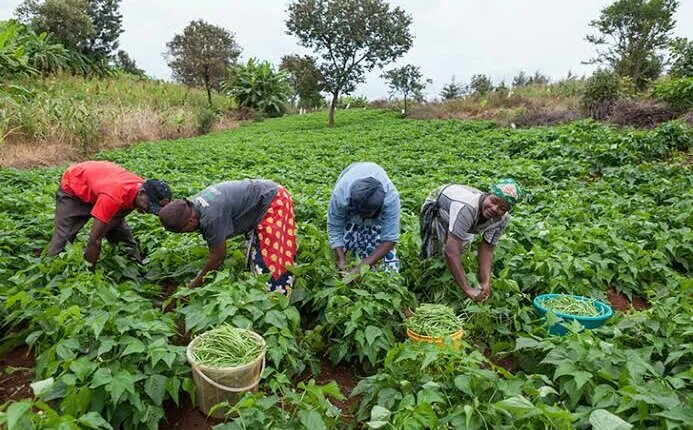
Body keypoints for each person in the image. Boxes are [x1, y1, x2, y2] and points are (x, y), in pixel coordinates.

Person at [158, 180, 296, 295]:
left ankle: (277, 298)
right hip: (260, 199)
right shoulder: (191, 206)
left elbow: (218, 257)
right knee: (255, 250)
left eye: (185, 231)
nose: (188, 233)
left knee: (272, 256)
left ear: (190, 222)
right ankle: (258, 288)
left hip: (274, 199)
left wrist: (193, 286)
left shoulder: (211, 218)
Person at [47, 160, 172, 266]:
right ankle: (52, 267)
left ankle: (133, 266)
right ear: (141, 193)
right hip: (75, 186)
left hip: (100, 184)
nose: (147, 212)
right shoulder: (115, 196)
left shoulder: (141, 191)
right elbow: (94, 241)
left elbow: (115, 220)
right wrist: (90, 272)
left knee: (120, 234)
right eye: (149, 207)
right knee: (65, 235)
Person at [419, 178, 522, 302]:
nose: (495, 208)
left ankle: (453, 276)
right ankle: (427, 284)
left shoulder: (502, 219)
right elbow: (451, 251)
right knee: (434, 252)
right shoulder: (467, 207)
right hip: (440, 205)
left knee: (461, 250)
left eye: (502, 208)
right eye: (494, 201)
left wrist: (485, 282)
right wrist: (467, 289)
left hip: (467, 216)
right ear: (488, 194)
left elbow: (488, 248)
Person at [328, 162, 401, 273]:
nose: (363, 217)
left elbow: (389, 239)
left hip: (377, 214)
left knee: (388, 268)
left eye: (368, 214)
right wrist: (341, 260)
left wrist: (362, 266)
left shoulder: (390, 199)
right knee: (348, 249)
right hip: (350, 195)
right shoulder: (341, 195)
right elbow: (335, 226)